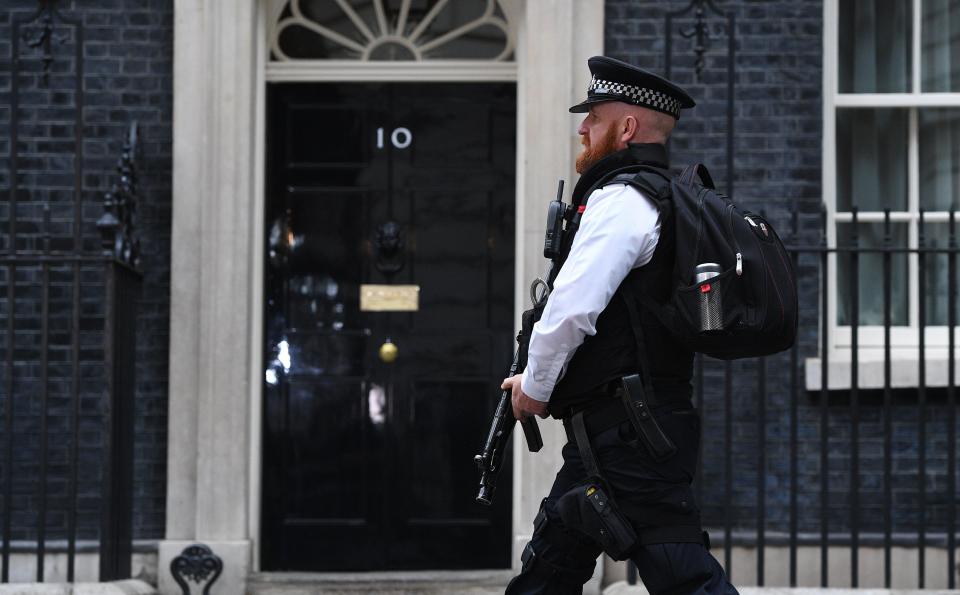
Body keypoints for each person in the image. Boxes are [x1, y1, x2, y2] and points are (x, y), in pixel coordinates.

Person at [500, 56, 739, 595]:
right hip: (615, 432)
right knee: (548, 567)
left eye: (595, 116)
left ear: (626, 128)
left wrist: (534, 388)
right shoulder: (658, 198)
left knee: (684, 578)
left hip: (631, 436)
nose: (582, 127)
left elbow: (571, 308)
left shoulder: (623, 200)